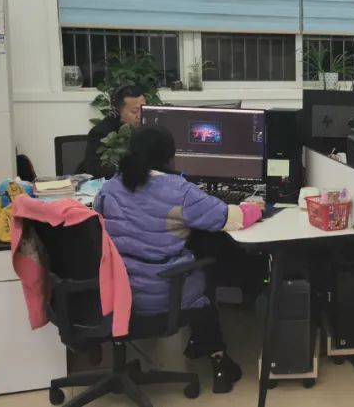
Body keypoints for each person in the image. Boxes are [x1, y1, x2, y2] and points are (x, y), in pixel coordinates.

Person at [94, 125, 263, 393]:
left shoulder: (111, 186)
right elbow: (229, 219)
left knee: (194, 254)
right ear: (169, 157)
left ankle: (199, 344)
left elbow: (98, 213)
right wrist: (256, 208)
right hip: (162, 294)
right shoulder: (179, 191)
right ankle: (218, 358)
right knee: (206, 266)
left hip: (119, 291)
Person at [79, 86, 146, 178]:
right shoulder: (101, 132)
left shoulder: (150, 127)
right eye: (134, 111)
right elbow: (96, 169)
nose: (140, 116)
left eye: (143, 109)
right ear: (118, 111)